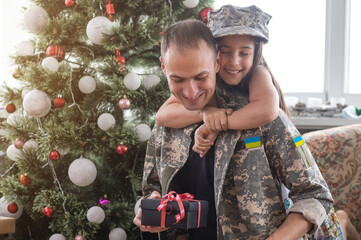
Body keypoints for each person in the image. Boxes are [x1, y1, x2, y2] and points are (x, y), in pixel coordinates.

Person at [133, 8, 343, 240]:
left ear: (216, 63)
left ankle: (343, 221)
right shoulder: (166, 125)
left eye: (200, 77)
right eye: (178, 79)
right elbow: (149, 192)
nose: (190, 92)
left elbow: (315, 195)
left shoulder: (264, 119)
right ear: (164, 69)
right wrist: (147, 209)